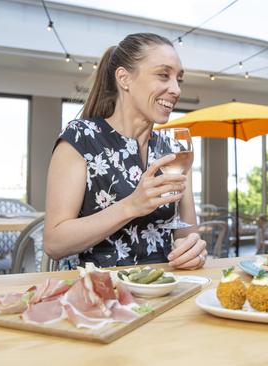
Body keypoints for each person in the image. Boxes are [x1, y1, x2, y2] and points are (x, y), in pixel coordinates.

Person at [44, 33, 207, 269]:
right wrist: (131, 206)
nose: (176, 89)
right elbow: (54, 243)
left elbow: (186, 234)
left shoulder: (174, 151)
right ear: (124, 78)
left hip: (163, 290)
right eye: (163, 75)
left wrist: (194, 250)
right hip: (96, 294)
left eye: (178, 80)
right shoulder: (81, 138)